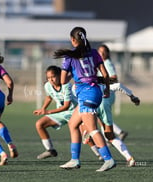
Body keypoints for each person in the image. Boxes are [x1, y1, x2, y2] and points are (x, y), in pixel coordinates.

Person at [54, 27, 116, 172]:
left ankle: (108, 159)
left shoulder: (69, 57)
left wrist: (71, 75)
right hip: (94, 92)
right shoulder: (94, 52)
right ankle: (74, 160)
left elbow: (63, 80)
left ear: (73, 40)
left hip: (86, 94)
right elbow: (105, 74)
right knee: (73, 124)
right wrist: (106, 89)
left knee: (92, 130)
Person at [94, 44, 139, 167]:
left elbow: (114, 80)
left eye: (104, 52)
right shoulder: (98, 66)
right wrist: (133, 97)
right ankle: (129, 158)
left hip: (99, 101)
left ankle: (103, 157)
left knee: (88, 130)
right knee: (108, 134)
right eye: (100, 52)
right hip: (105, 99)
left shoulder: (104, 64)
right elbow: (118, 85)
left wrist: (100, 80)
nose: (101, 54)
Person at [33, 65, 77, 159]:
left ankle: (100, 155)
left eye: (53, 77)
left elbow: (66, 106)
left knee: (85, 135)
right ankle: (50, 150)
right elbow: (49, 97)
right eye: (48, 78)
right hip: (60, 113)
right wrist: (43, 108)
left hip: (74, 113)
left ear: (60, 76)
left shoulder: (66, 86)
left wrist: (48, 112)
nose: (51, 80)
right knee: (39, 124)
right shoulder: (48, 86)